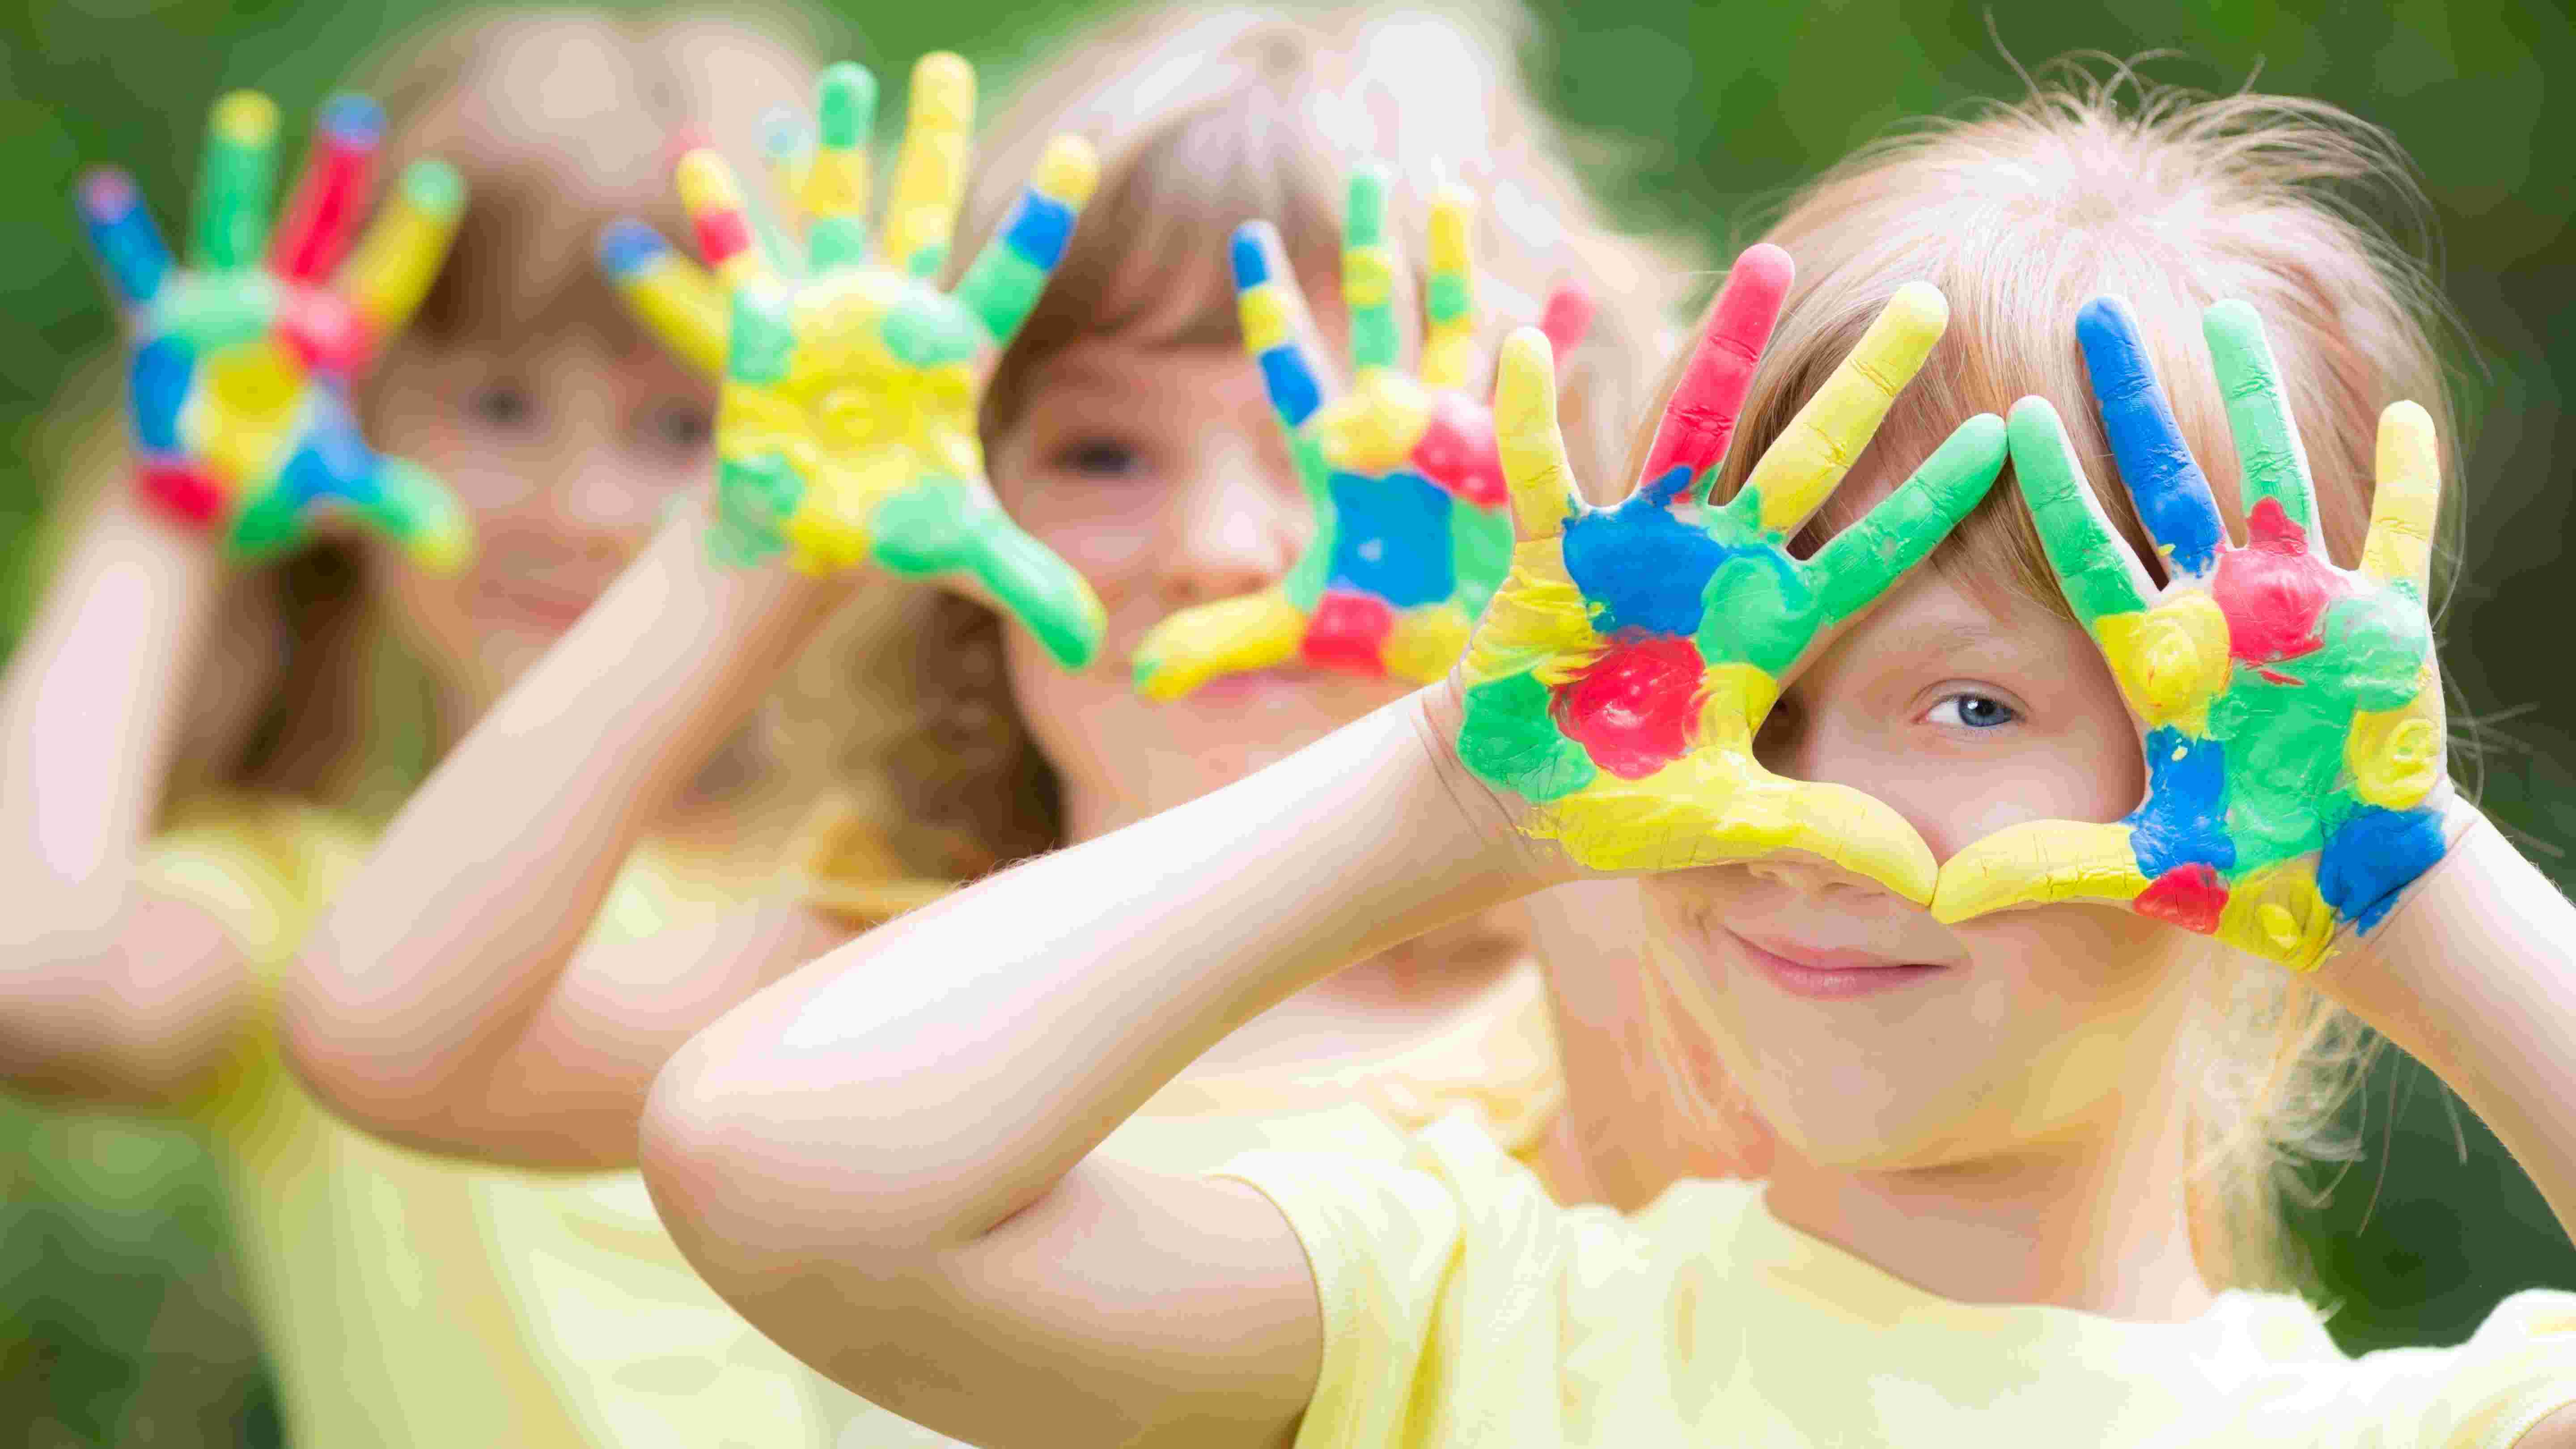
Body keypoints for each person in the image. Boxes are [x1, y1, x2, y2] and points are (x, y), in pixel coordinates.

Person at [632, 77, 2576, 1448]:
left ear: (2258, 781)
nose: (1801, 820)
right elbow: (781, 1168)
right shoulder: (1461, 1328)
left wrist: (2414, 889)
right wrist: (1462, 790)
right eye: (1760, 703)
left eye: (1973, 709)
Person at [288, 0, 1737, 1296]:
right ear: (957, 518)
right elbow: (395, 1039)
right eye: (1104, 451)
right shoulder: (892, 970)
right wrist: (758, 544)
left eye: (1351, 459)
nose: (1222, 545)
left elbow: (1687, 1287)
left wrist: (1551, 723)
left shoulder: (1602, 1011)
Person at [0, 11, 916, 1445]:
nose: (581, 503)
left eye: (682, 429)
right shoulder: (310, 914)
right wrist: (167, 506)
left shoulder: (901, 879)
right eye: (495, 405)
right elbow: (29, 970)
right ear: (346, 420)